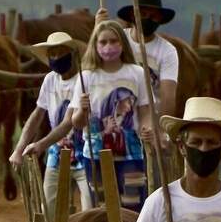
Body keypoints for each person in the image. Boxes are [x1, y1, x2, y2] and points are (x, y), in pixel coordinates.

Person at [30, 19, 153, 211]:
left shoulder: (137, 73)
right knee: (101, 210)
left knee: (133, 206)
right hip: (95, 156)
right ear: (95, 46)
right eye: (103, 42)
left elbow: (145, 112)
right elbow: (76, 123)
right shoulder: (86, 77)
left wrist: (148, 129)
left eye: (113, 41)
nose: (108, 47)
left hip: (131, 155)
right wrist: (83, 110)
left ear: (122, 43)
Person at [8, 31, 92, 212]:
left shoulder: (83, 80)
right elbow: (37, 115)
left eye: (60, 53)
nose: (55, 57)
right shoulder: (50, 79)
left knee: (90, 210)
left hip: (84, 152)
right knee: (48, 208)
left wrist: (40, 145)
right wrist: (19, 149)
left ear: (72, 54)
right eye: (52, 54)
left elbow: (68, 122)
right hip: (57, 153)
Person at [116, 0, 181, 119]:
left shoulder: (167, 51)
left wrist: (162, 130)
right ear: (132, 15)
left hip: (149, 121)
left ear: (160, 19)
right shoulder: (117, 39)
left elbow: (168, 96)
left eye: (153, 16)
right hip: (117, 118)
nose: (148, 19)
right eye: (143, 14)